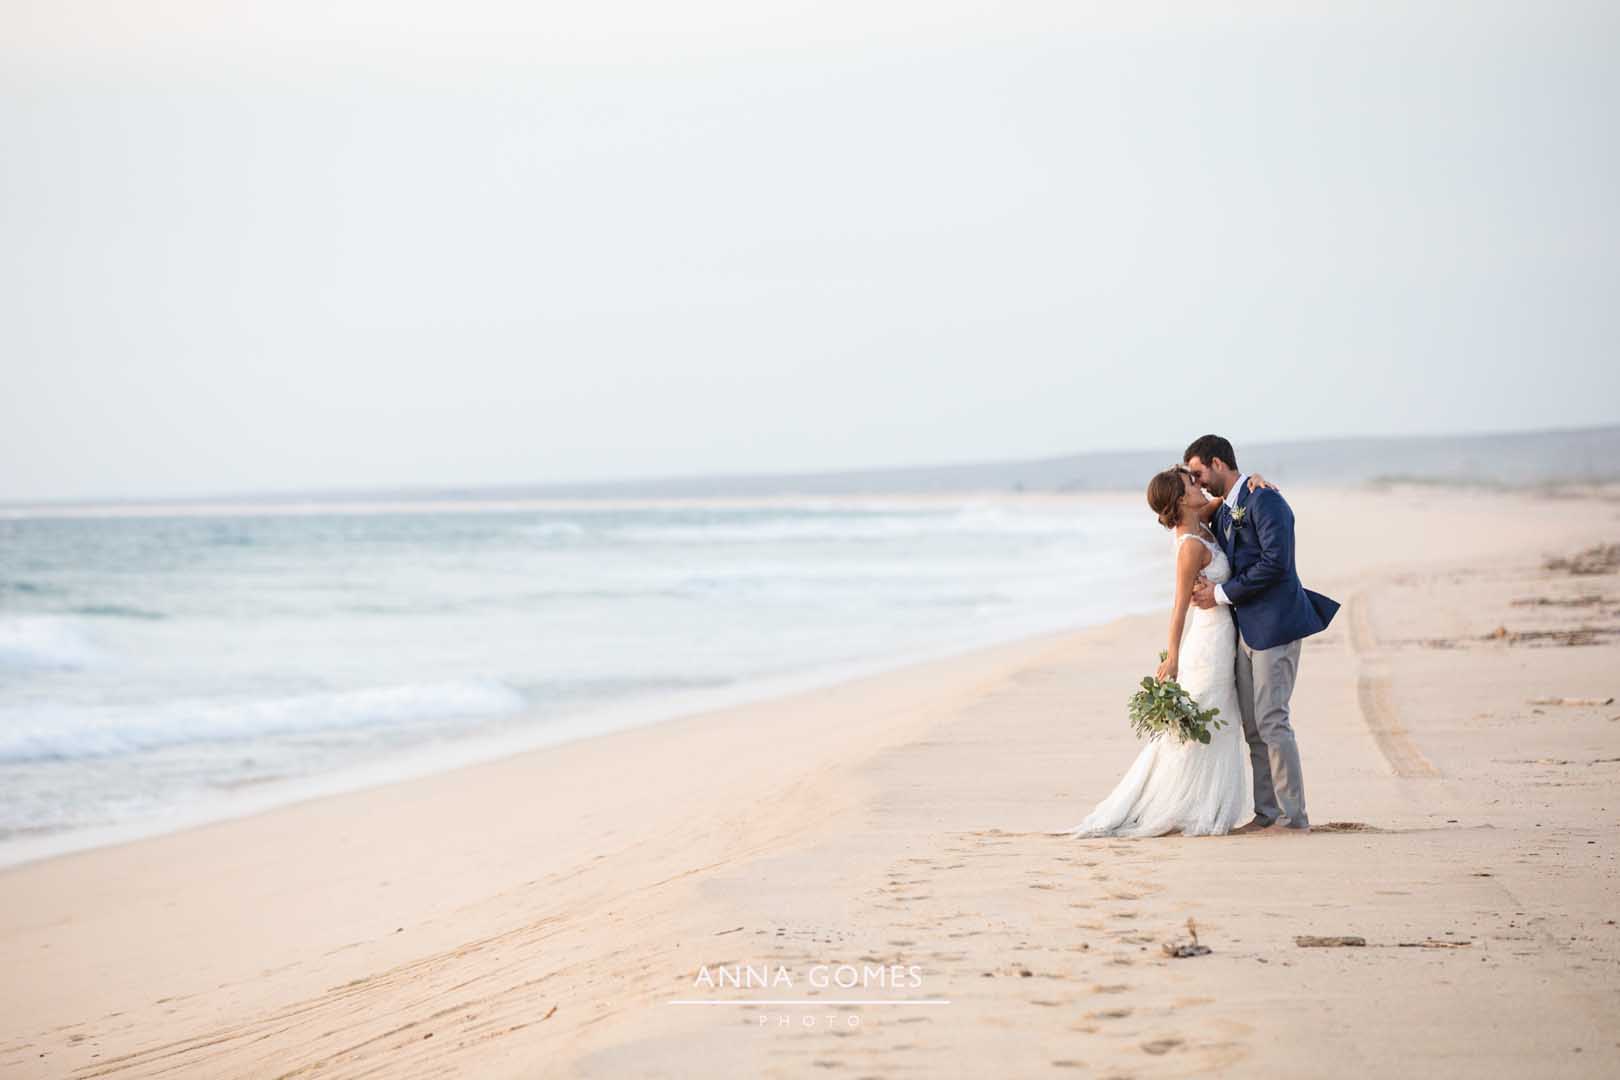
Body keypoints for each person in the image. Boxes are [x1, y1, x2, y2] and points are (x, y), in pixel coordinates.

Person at [1062, 465, 1269, 837]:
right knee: (1205, 721)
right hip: (1208, 642)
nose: (1199, 485)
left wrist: (1253, 481)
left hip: (1223, 635)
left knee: (1217, 718)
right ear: (1179, 499)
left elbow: (1227, 497)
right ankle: (1183, 805)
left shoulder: (1199, 519)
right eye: (1192, 484)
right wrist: (1171, 657)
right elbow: (1178, 606)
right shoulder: (1189, 545)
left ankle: (1207, 803)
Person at [1183, 434, 1339, 833]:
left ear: (1219, 463)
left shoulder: (1266, 500)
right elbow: (1187, 518)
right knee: (1253, 728)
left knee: (1273, 721)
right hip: (1242, 631)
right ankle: (1266, 813)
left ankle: (1293, 817)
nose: (1197, 482)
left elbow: (1276, 563)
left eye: (1199, 472)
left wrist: (1218, 593)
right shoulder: (1227, 507)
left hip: (1276, 625)